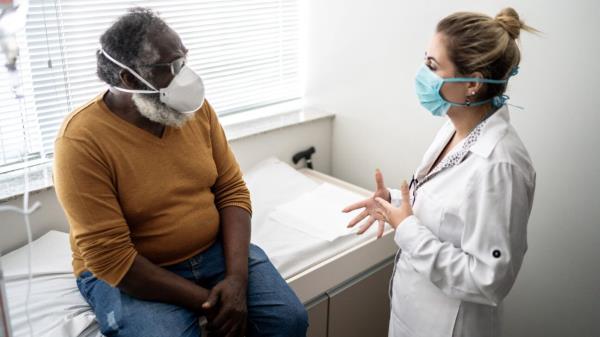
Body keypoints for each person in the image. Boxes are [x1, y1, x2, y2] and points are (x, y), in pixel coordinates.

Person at [53, 8, 307, 337]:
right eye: (171, 67)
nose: (185, 75)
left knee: (289, 320)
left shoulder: (194, 111)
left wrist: (236, 281)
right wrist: (212, 302)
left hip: (211, 251)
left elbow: (231, 190)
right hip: (135, 271)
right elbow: (111, 258)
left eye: (184, 60)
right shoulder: (80, 141)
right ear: (129, 79)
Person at [343, 8, 537, 337]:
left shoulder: (500, 165)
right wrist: (393, 203)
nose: (422, 74)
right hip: (414, 312)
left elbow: (490, 280)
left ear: (473, 83)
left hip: (450, 326)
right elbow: (447, 206)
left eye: (433, 66)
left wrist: (406, 229)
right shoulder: (456, 128)